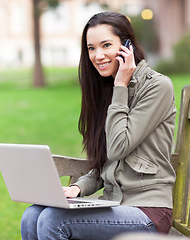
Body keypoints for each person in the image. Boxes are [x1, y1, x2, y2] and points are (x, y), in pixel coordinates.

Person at [21, 11, 177, 240]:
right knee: (32, 215)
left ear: (127, 47)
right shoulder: (107, 87)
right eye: (91, 48)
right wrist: (79, 188)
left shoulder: (157, 87)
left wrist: (121, 86)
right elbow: (107, 161)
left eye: (106, 45)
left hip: (148, 211)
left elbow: (118, 147)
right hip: (114, 204)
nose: (98, 55)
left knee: (53, 221)